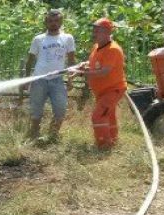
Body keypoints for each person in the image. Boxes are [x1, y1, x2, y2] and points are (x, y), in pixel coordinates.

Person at [69, 18, 127, 149]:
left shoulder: (113, 49)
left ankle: (103, 145)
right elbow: (95, 63)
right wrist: (84, 65)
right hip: (102, 91)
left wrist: (82, 73)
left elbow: (104, 72)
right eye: (93, 30)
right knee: (108, 115)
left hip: (113, 90)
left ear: (107, 32)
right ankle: (113, 141)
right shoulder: (97, 47)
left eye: (97, 31)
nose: (94, 33)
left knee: (98, 116)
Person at [22, 9, 76, 142]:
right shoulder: (38, 39)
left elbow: (71, 61)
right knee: (36, 109)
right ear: (46, 23)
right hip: (39, 79)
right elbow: (30, 61)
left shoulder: (68, 38)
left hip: (57, 80)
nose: (53, 23)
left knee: (61, 108)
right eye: (50, 21)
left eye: (56, 21)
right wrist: (27, 80)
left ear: (61, 22)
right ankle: (35, 133)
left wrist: (70, 79)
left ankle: (53, 134)